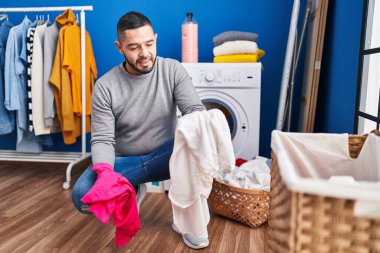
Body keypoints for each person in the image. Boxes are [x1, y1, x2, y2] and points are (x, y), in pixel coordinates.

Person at [71, 11, 206, 248]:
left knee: (194, 143)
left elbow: (194, 111)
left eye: (149, 44)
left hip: (165, 156)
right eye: (133, 47)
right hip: (125, 162)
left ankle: (189, 223)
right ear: (119, 47)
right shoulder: (105, 86)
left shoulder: (172, 70)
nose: (144, 54)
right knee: (82, 195)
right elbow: (102, 139)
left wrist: (202, 132)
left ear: (155, 38)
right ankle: (129, 188)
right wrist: (105, 174)